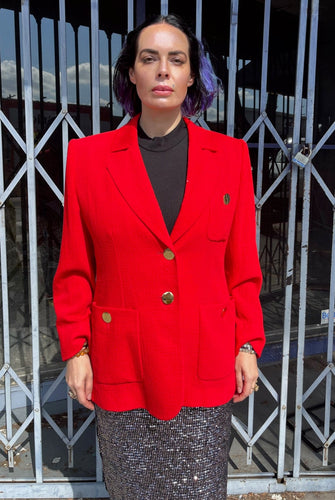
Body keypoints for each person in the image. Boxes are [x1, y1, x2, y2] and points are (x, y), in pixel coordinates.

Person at [53, 13, 265, 500]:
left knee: (200, 489)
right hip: (121, 357)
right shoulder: (88, 159)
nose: (163, 70)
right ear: (132, 72)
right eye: (149, 58)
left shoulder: (230, 157)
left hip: (205, 361)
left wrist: (248, 344)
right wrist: (76, 350)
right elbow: (75, 267)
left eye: (177, 59)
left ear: (192, 75)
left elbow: (243, 268)